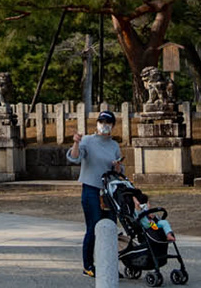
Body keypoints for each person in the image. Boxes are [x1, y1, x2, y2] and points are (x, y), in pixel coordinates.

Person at [65, 108, 123, 278]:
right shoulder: (88, 141)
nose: (104, 125)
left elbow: (119, 170)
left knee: (111, 228)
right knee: (93, 226)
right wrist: (76, 142)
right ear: (97, 124)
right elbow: (74, 157)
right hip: (91, 189)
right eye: (102, 122)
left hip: (109, 191)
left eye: (108, 123)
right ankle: (88, 265)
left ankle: (109, 265)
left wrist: (118, 167)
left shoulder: (114, 145)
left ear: (112, 126)